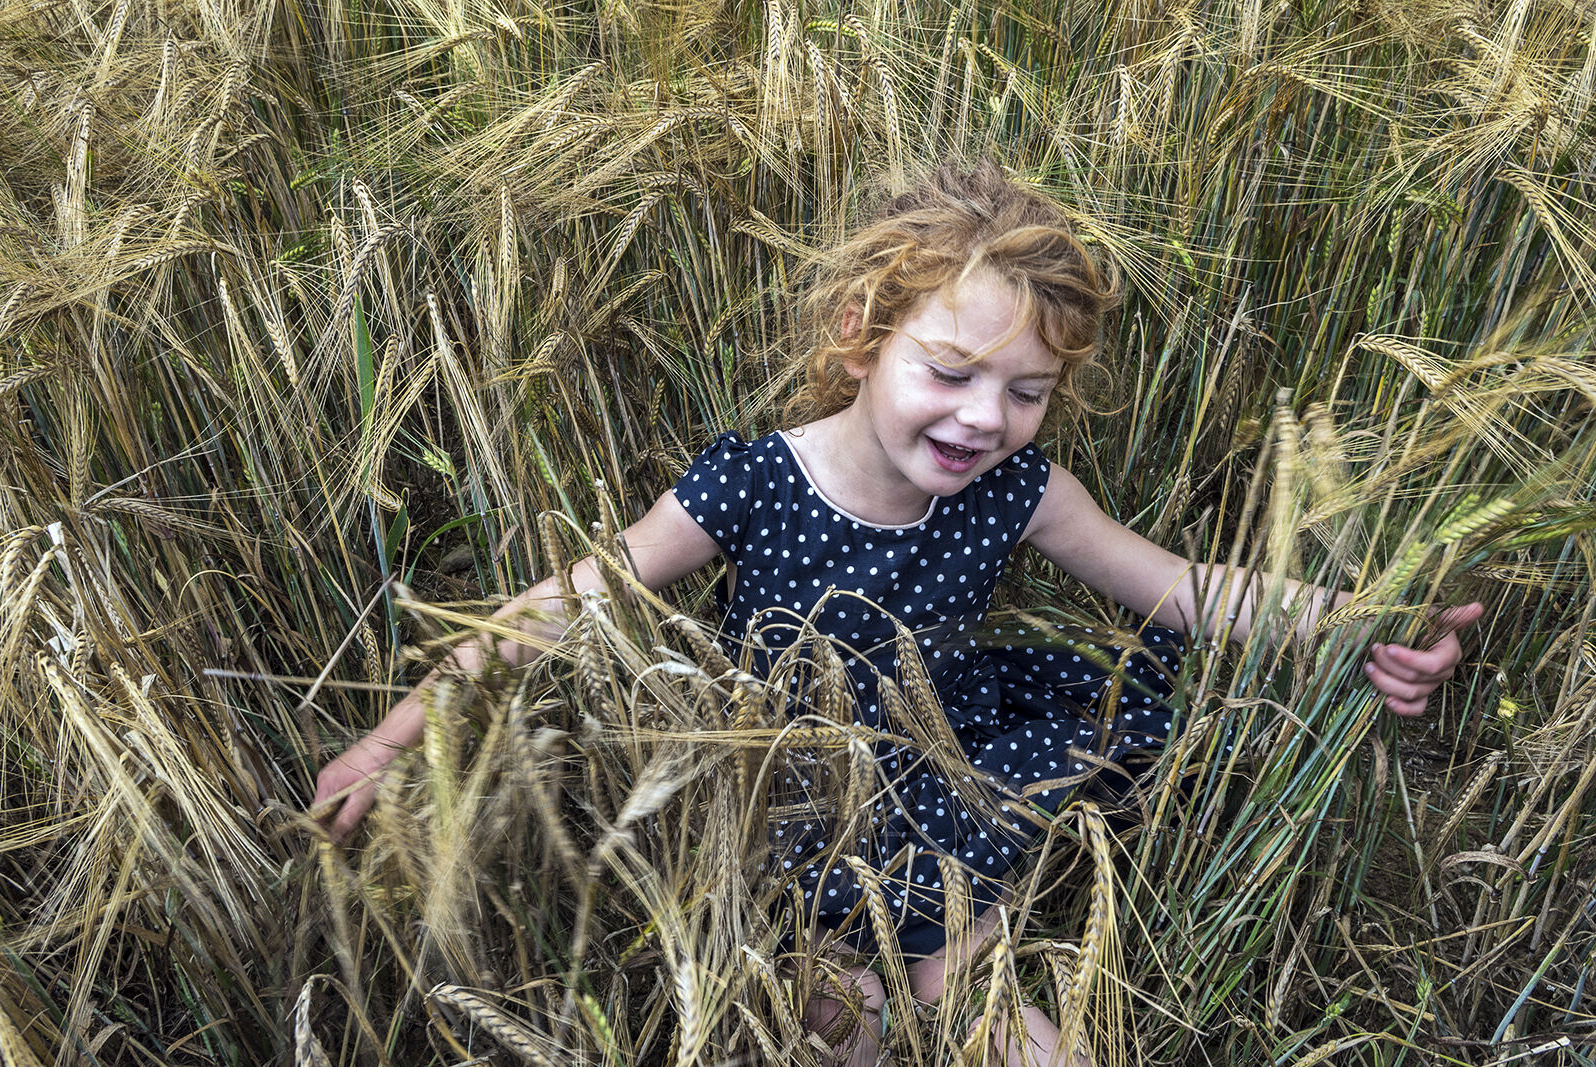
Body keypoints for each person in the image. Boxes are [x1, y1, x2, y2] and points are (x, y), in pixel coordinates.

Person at [312, 161, 1482, 1066]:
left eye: (1026, 392)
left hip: (947, 758)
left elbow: (1185, 589)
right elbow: (559, 607)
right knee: (842, 1018)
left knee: (961, 986)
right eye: (949, 370)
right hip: (776, 783)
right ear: (860, 339)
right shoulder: (753, 481)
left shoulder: (1025, 490)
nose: (985, 416)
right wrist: (387, 738)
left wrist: (1358, 618)